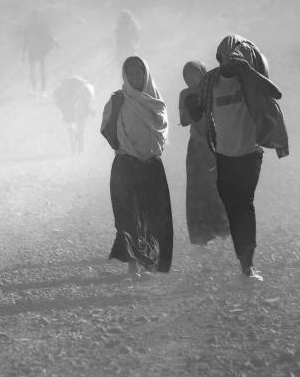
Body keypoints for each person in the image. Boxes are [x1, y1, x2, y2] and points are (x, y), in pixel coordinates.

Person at [184, 35, 289, 282]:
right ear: (221, 58)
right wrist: (191, 105)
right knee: (232, 207)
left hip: (250, 154)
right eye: (229, 55)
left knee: (244, 204)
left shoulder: (248, 79)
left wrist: (249, 72)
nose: (233, 59)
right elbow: (199, 110)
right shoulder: (211, 80)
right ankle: (244, 259)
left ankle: (248, 265)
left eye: (237, 55)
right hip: (222, 154)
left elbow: (276, 93)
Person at [100, 56, 173, 277]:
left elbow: (161, 132)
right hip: (126, 165)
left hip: (151, 165)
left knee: (153, 216)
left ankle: (150, 260)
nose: (135, 77)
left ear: (146, 74)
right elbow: (106, 129)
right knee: (128, 216)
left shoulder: (155, 101)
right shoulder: (118, 100)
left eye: (139, 73)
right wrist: (126, 147)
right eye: (131, 74)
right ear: (125, 76)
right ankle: (132, 265)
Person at [179, 60, 229, 247]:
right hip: (196, 147)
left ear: (202, 74)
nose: (191, 78)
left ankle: (223, 230)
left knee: (216, 187)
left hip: (215, 144)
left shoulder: (212, 90)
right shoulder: (185, 94)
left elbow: (220, 115)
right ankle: (201, 236)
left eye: (194, 73)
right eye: (187, 75)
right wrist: (189, 107)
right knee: (196, 191)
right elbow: (183, 121)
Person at [53, 76, 95, 155]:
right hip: (71, 104)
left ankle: (72, 123)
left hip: (71, 104)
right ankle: (87, 112)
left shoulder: (65, 87)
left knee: (74, 115)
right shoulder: (72, 85)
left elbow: (58, 100)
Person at [23, 10, 58, 97]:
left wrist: (55, 42)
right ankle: (37, 91)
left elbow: (48, 36)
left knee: (38, 71)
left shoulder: (37, 26)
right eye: (33, 16)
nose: (34, 18)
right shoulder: (32, 27)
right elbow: (26, 40)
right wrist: (23, 53)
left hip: (38, 51)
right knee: (36, 71)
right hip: (36, 51)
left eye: (34, 16)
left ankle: (41, 91)